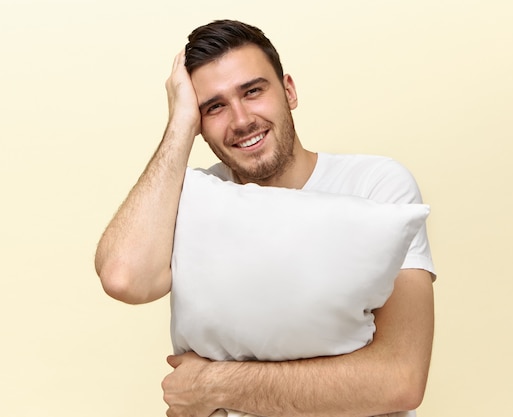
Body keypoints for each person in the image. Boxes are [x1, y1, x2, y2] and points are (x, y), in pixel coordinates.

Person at [95, 19, 435, 417]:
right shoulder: (187, 198)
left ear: (288, 91)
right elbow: (124, 277)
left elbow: (399, 380)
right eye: (214, 107)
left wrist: (211, 385)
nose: (240, 121)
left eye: (252, 91)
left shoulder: (375, 186)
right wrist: (178, 126)